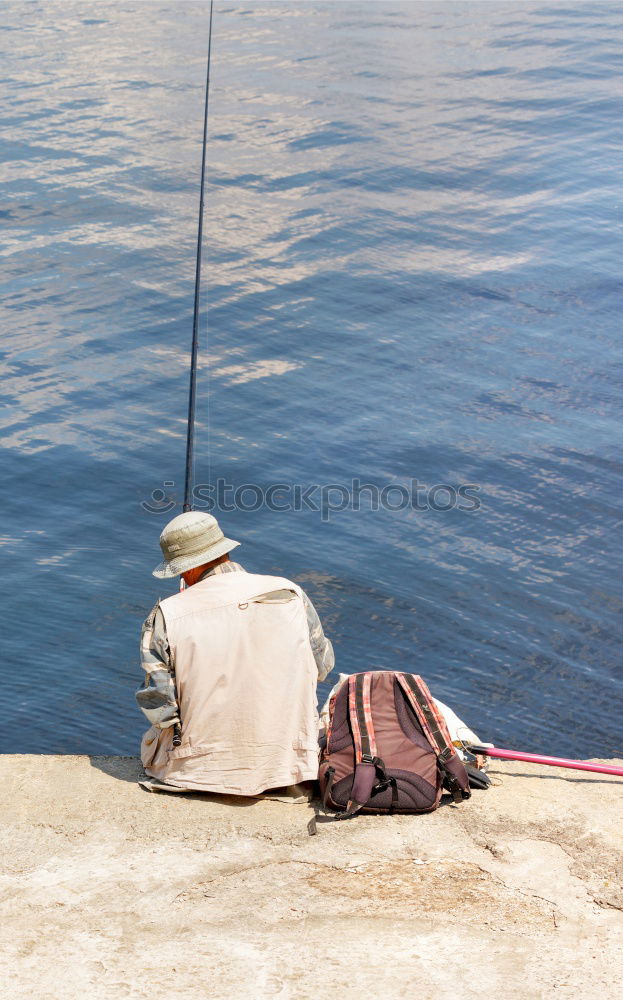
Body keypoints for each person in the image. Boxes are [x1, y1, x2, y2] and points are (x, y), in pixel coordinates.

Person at [136, 510, 334, 796]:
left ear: (187, 568)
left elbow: (160, 706)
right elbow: (323, 666)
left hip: (196, 773)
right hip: (289, 768)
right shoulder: (290, 592)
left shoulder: (167, 613)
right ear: (223, 550)